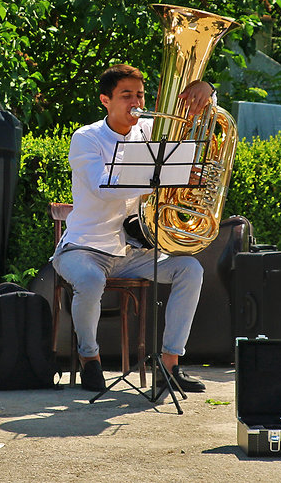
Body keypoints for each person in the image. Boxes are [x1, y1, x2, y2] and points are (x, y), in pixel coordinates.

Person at [52, 64, 214, 393]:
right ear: (104, 100)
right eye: (126, 95)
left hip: (135, 250)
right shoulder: (86, 138)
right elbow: (103, 187)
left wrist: (207, 91)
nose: (136, 102)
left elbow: (198, 119)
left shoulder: (152, 131)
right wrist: (161, 181)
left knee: (190, 270)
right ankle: (90, 359)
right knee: (90, 278)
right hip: (83, 248)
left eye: (139, 95)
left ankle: (169, 365)